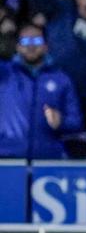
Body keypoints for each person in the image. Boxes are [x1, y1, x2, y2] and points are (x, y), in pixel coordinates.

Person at [0, 21, 81, 158]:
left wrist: (61, 122)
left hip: (47, 161)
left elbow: (76, 122)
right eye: (25, 41)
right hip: (8, 159)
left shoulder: (61, 79)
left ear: (46, 46)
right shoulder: (5, 74)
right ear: (18, 47)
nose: (31, 46)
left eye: (37, 40)